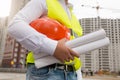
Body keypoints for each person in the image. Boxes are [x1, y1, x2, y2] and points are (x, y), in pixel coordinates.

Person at [8, 0, 83, 80]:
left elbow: (76, 54)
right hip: (45, 71)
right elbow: (15, 25)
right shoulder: (44, 1)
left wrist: (79, 76)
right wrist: (53, 47)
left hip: (72, 73)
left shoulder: (72, 15)